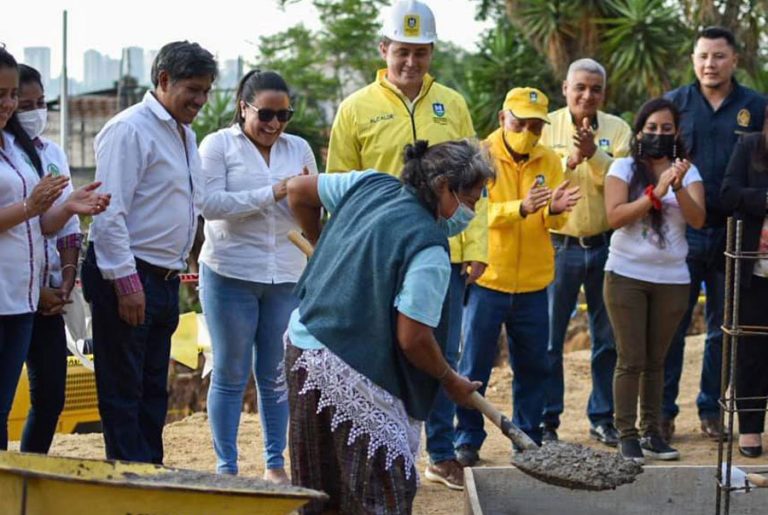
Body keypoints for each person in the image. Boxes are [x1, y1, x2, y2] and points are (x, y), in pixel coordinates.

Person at [325, 0, 485, 490]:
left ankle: (439, 452)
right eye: (401, 52)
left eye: (419, 53)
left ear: (431, 52)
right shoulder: (356, 108)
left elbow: (475, 181)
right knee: (380, 349)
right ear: (384, 49)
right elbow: (338, 183)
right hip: (378, 255)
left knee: (439, 351)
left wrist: (473, 244)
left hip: (440, 254)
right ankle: (377, 448)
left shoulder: (452, 104)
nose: (410, 63)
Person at [285, 139, 493, 514]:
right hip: (352, 368)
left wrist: (323, 243)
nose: (471, 212)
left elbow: (298, 189)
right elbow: (413, 338)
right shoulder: (429, 249)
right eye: (473, 199)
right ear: (444, 186)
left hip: (304, 344)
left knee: (318, 486)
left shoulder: (371, 183)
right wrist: (448, 378)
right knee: (380, 493)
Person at [81, 41, 217, 464]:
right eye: (192, 89)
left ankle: (149, 475)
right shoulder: (130, 130)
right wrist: (126, 283)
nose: (199, 100)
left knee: (153, 387)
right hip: (128, 275)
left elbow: (185, 204)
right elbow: (108, 214)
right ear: (163, 80)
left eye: (206, 91)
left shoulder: (183, 132)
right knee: (124, 388)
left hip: (163, 278)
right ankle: (127, 480)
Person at [198, 70, 318, 482]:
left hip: (286, 275)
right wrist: (276, 191)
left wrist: (305, 201)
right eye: (265, 113)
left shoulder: (298, 147)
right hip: (230, 272)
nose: (274, 124)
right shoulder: (216, 145)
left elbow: (310, 205)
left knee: (276, 374)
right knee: (231, 372)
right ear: (243, 107)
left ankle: (275, 464)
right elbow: (210, 204)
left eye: (284, 115)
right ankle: (226, 470)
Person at [454, 88, 581, 466]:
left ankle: (527, 439)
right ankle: (467, 440)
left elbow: (554, 220)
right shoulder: (480, 156)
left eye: (535, 126)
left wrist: (555, 211)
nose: (527, 131)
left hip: (534, 283)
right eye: (519, 123)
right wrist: (519, 208)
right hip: (487, 280)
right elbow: (473, 212)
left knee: (533, 367)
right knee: (473, 367)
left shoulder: (549, 161)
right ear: (501, 118)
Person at [663, 26, 767, 442]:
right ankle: (664, 412)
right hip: (683, 231)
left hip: (737, 236)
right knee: (674, 325)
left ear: (734, 61)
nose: (711, 64)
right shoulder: (675, 104)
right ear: (693, 60)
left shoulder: (756, 106)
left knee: (723, 330)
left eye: (719, 56)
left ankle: (710, 408)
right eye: (703, 56)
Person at [0, 47, 108, 450]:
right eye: (6, 96)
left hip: (27, 298)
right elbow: (29, 212)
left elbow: (42, 225)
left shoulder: (25, 153)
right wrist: (33, 205)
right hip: (11, 293)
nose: (12, 106)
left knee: (43, 398)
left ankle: (22, 485)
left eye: (17, 97)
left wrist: (69, 208)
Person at [603, 98, 706, 463]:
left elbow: (697, 219)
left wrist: (676, 185)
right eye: (652, 128)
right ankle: (626, 434)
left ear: (676, 132)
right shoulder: (624, 167)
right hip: (626, 274)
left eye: (666, 129)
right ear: (639, 130)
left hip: (672, 279)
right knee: (630, 358)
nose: (659, 135)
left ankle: (653, 432)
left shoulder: (688, 172)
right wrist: (655, 192)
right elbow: (615, 216)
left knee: (656, 359)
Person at [540, 58, 632, 446]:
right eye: (579, 87)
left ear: (604, 93)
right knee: (549, 338)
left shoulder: (618, 129)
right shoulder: (545, 127)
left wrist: (594, 154)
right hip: (557, 248)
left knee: (606, 338)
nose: (587, 95)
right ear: (565, 89)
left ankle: (602, 416)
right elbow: (538, 179)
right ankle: (546, 419)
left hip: (606, 246)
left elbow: (624, 179)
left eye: (595, 89)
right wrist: (570, 160)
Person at [15, 64, 83, 454]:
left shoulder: (52, 152)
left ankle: (28, 471)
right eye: (25, 103)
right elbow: (22, 228)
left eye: (42, 103)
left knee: (51, 397)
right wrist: (35, 287)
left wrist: (67, 281)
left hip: (50, 295)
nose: (35, 112)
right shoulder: (11, 160)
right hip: (15, 293)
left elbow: (65, 223)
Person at [721, 120, 768, 458]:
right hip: (755, 268)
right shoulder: (750, 147)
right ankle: (750, 429)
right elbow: (728, 193)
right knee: (751, 352)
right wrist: (765, 199)